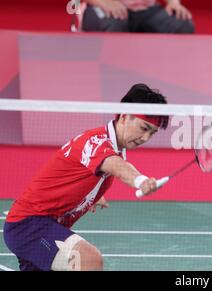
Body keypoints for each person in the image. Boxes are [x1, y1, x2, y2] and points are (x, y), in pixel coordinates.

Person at [3, 84, 169, 271]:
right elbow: (117, 166)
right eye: (143, 127)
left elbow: (84, 171)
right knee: (88, 259)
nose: (145, 137)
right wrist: (140, 180)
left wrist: (91, 196)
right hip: (30, 225)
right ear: (124, 117)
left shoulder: (113, 149)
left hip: (41, 226)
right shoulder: (97, 142)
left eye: (152, 133)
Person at [82, 0, 195, 33]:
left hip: (147, 8)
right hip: (104, 7)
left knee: (183, 25)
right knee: (115, 26)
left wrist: (173, 2)